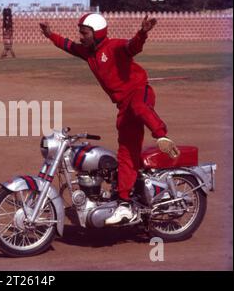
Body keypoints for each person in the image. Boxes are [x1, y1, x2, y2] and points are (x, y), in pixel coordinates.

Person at [40, 13, 180, 224]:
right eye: (80, 32)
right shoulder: (89, 53)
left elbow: (132, 47)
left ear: (97, 33)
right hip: (123, 106)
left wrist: (142, 33)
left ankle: (162, 136)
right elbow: (68, 45)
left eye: (84, 33)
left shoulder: (114, 47)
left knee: (140, 107)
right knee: (126, 152)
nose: (81, 37)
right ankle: (124, 202)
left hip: (139, 91)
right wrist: (50, 35)